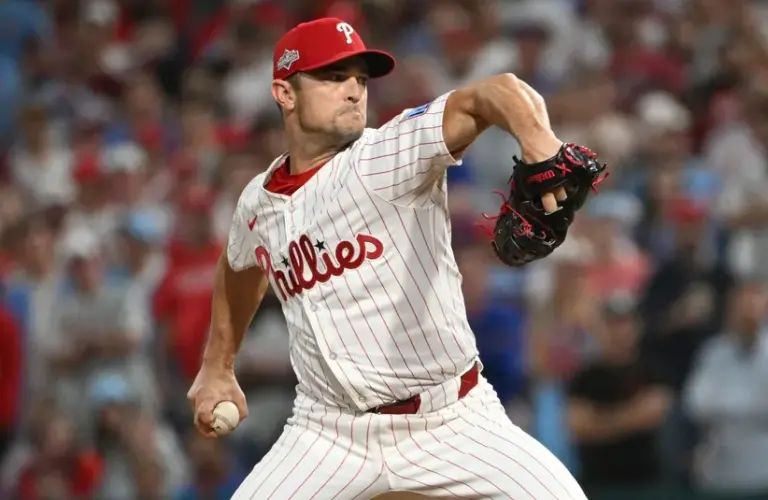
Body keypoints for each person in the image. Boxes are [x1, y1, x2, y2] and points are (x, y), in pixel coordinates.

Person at [188, 17, 584, 499]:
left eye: (360, 79)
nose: (354, 90)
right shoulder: (256, 203)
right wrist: (218, 365)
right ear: (284, 93)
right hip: (327, 432)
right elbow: (240, 266)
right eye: (334, 78)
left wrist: (539, 140)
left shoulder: (386, 154)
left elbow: (493, 93)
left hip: (450, 420)